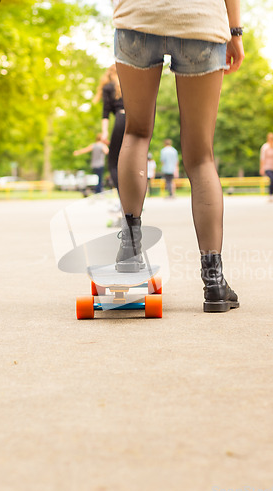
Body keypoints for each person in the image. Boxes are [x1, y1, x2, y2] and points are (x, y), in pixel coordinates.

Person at [112, 0, 244, 312]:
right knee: (201, 158)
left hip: (137, 17)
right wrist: (235, 32)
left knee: (136, 133)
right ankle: (214, 282)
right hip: (200, 20)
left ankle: (129, 249)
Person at [93, 65, 125, 191]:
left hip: (122, 119)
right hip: (138, 120)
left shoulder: (108, 87)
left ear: (109, 74)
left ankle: (124, 201)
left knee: (114, 163)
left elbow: (105, 112)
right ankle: (138, 201)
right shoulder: (128, 84)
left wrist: (105, 132)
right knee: (134, 161)